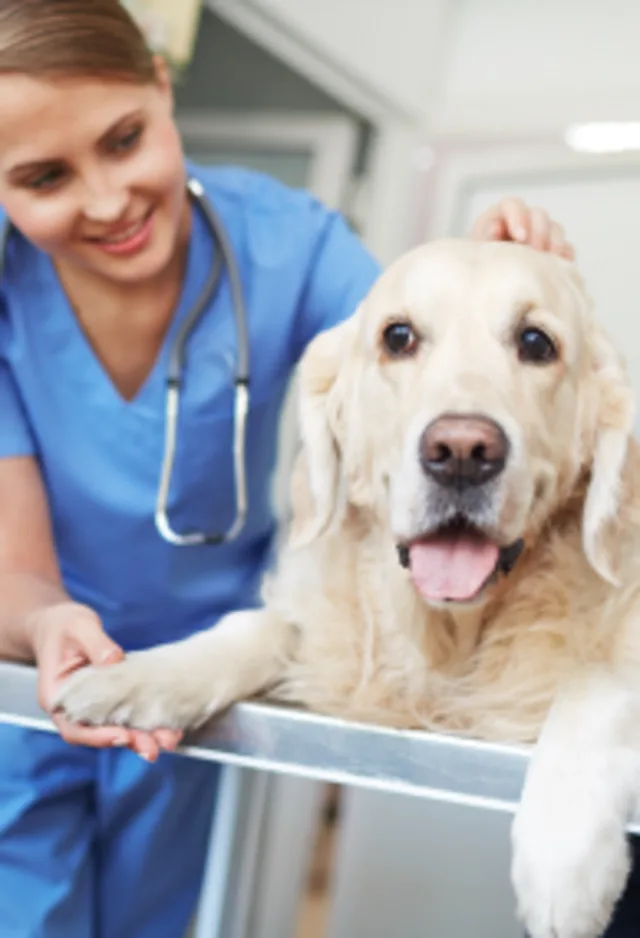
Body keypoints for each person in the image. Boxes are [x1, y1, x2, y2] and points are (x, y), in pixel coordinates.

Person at [0, 2, 578, 936]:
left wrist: (490, 276)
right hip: (36, 664)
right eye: (43, 176)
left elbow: (414, 358)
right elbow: (11, 559)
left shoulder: (288, 245)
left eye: (124, 139)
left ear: (159, 80)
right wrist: (44, 621)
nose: (107, 199)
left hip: (201, 677)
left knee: (157, 919)